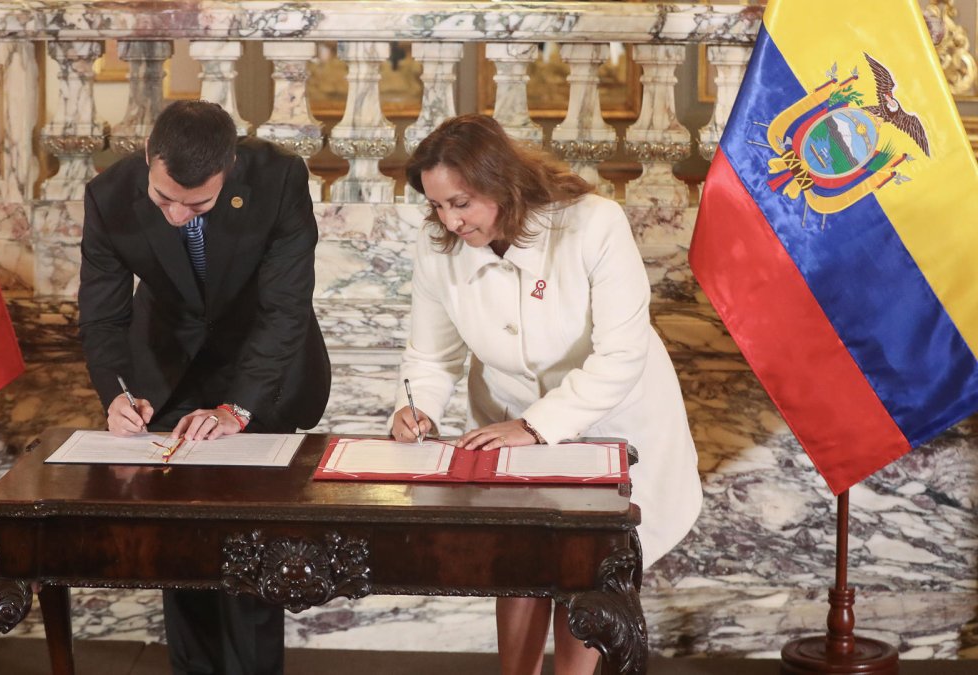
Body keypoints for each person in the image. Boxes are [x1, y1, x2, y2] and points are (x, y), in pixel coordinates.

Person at [390, 114, 702, 675]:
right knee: (516, 562)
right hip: (506, 421)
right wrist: (418, 410)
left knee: (588, 567)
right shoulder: (437, 245)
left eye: (461, 203)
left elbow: (621, 355)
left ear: (500, 181)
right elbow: (432, 356)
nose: (450, 221)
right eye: (437, 206)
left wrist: (536, 426)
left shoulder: (593, 223)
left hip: (612, 418)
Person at [78, 99, 331, 675]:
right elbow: (103, 316)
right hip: (167, 373)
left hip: (260, 372)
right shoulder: (108, 194)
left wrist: (238, 407)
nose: (176, 216)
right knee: (180, 548)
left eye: (197, 205)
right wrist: (117, 393)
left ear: (229, 168)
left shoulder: (279, 178)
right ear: (149, 155)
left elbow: (285, 309)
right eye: (163, 198)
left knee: (253, 549)